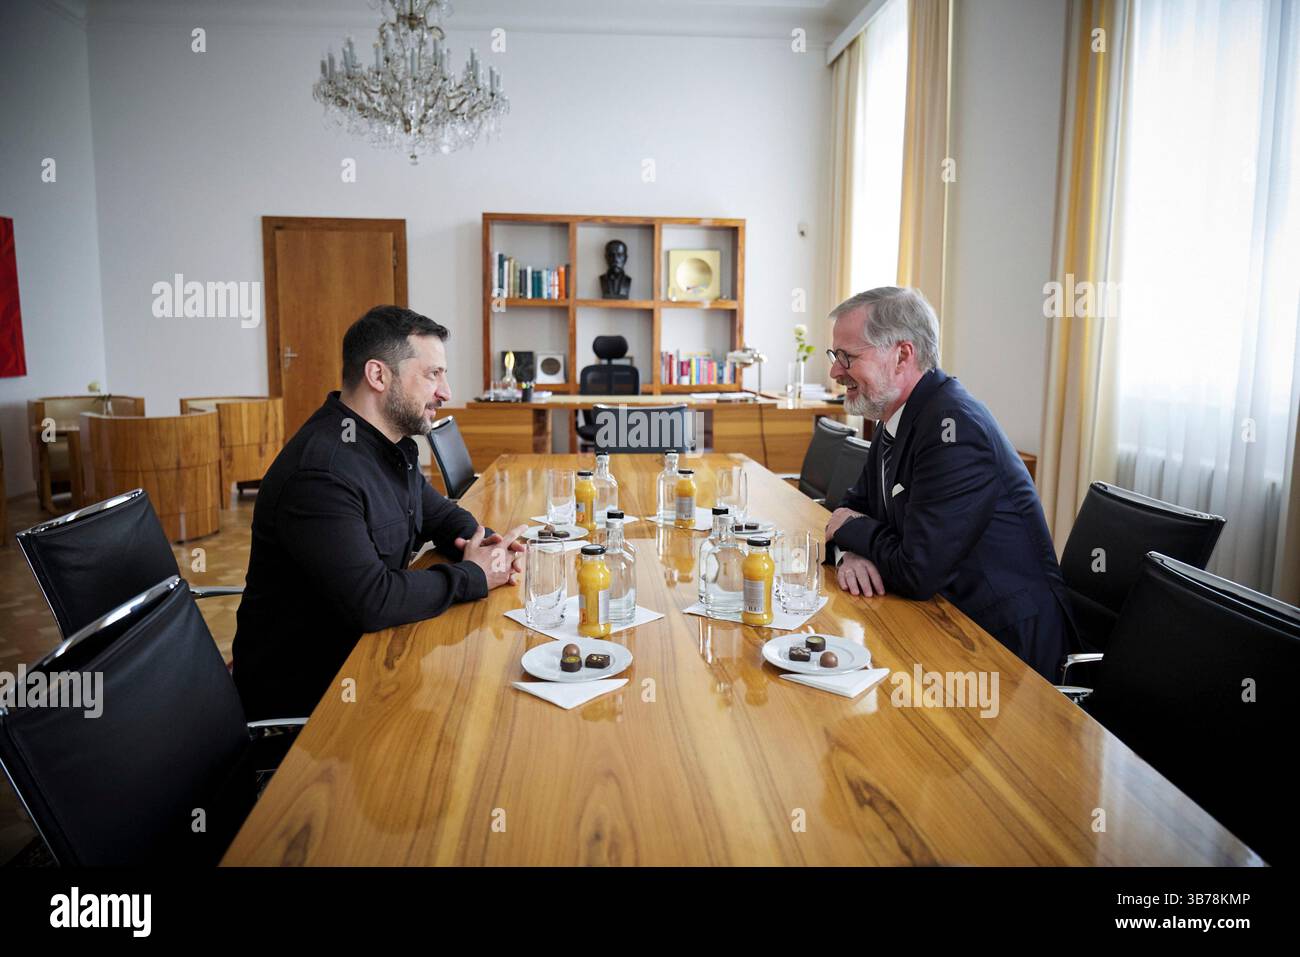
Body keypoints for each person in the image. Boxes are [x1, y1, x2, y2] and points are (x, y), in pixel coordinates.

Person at [232, 305, 526, 719]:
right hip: (319, 697)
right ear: (378, 375)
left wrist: (486, 543)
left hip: (376, 660)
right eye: (432, 374)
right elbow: (372, 600)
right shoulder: (321, 474)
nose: (445, 392)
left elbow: (440, 514)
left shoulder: (388, 447)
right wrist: (474, 575)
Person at [824, 286, 1074, 679]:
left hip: (1002, 654)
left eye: (847, 357)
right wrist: (850, 552)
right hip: (938, 622)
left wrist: (850, 527)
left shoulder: (954, 431)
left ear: (902, 355)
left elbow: (916, 570)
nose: (836, 371)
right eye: (834, 356)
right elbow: (849, 508)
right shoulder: (896, 415)